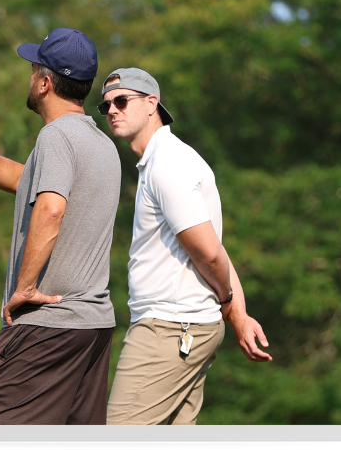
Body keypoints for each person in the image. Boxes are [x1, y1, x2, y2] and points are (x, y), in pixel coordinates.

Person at [0, 28, 121, 425]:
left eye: (33, 68)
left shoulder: (55, 137)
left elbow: (51, 209)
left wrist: (24, 288)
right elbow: (30, 182)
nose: (30, 77)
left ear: (44, 82)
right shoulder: (100, 143)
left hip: (47, 327)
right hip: (93, 328)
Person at [97, 67, 272, 425]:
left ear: (151, 104)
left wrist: (229, 304)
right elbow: (214, 249)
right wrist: (238, 315)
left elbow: (208, 253)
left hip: (170, 330)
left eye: (121, 100)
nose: (112, 110)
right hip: (183, 329)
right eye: (105, 106)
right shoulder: (162, 161)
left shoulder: (168, 165)